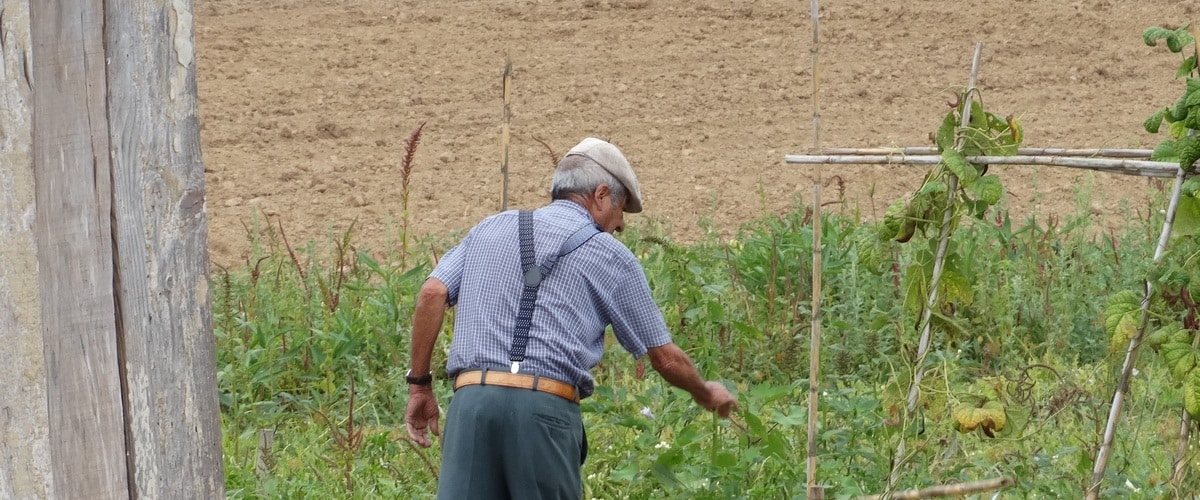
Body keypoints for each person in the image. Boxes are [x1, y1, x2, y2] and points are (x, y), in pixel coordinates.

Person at [403, 137, 737, 499]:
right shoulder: (612, 256)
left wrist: (420, 384)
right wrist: (705, 393)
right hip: (543, 413)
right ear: (601, 194)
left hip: (471, 407)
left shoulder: (488, 229)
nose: (621, 225)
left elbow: (432, 293)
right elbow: (665, 358)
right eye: (622, 209)